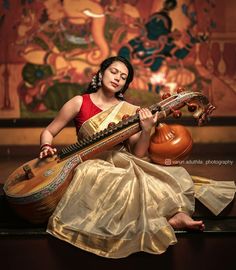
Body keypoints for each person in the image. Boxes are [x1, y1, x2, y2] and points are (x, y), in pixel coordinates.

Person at [39, 56, 205, 258]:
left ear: (125, 84)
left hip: (122, 160)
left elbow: (138, 153)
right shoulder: (78, 102)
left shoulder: (132, 111)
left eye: (123, 77)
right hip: (89, 163)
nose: (117, 78)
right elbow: (48, 132)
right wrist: (46, 146)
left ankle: (177, 216)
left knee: (157, 177)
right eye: (114, 72)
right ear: (101, 74)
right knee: (105, 175)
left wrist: (146, 130)